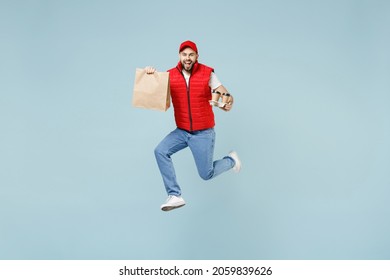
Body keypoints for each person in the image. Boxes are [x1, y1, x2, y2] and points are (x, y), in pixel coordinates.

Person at [145, 40, 241, 211]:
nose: (187, 58)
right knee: (160, 151)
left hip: (203, 133)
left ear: (197, 56)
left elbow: (224, 93)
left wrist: (228, 103)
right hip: (182, 131)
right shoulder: (170, 75)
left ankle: (231, 160)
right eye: (184, 55)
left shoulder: (207, 73)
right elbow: (154, 94)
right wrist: (150, 75)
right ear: (179, 56)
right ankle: (175, 195)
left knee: (206, 174)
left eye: (191, 55)